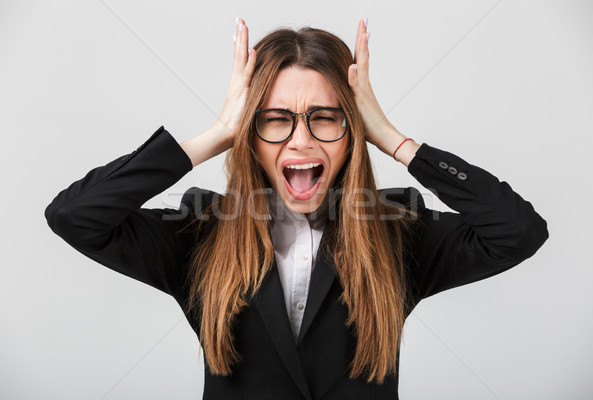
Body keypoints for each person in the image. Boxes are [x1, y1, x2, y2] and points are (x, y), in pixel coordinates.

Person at [44, 17, 549, 400]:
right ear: (251, 134)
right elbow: (76, 215)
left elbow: (519, 232)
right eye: (276, 119)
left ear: (353, 133)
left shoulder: (398, 230)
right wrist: (217, 133)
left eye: (326, 119)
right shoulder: (200, 231)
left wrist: (394, 139)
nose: (301, 141)